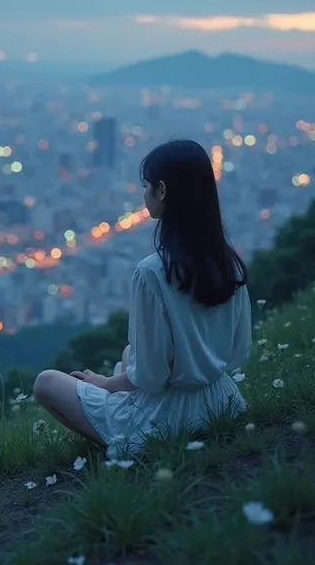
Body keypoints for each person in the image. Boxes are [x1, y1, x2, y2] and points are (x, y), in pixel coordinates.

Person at [33, 140, 251, 457]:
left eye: (146, 185)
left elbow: (151, 377)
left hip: (169, 418)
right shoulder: (229, 263)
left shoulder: (152, 272)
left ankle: (123, 444)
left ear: (162, 190)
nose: (144, 193)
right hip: (222, 401)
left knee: (46, 383)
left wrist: (106, 383)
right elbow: (237, 351)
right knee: (128, 351)